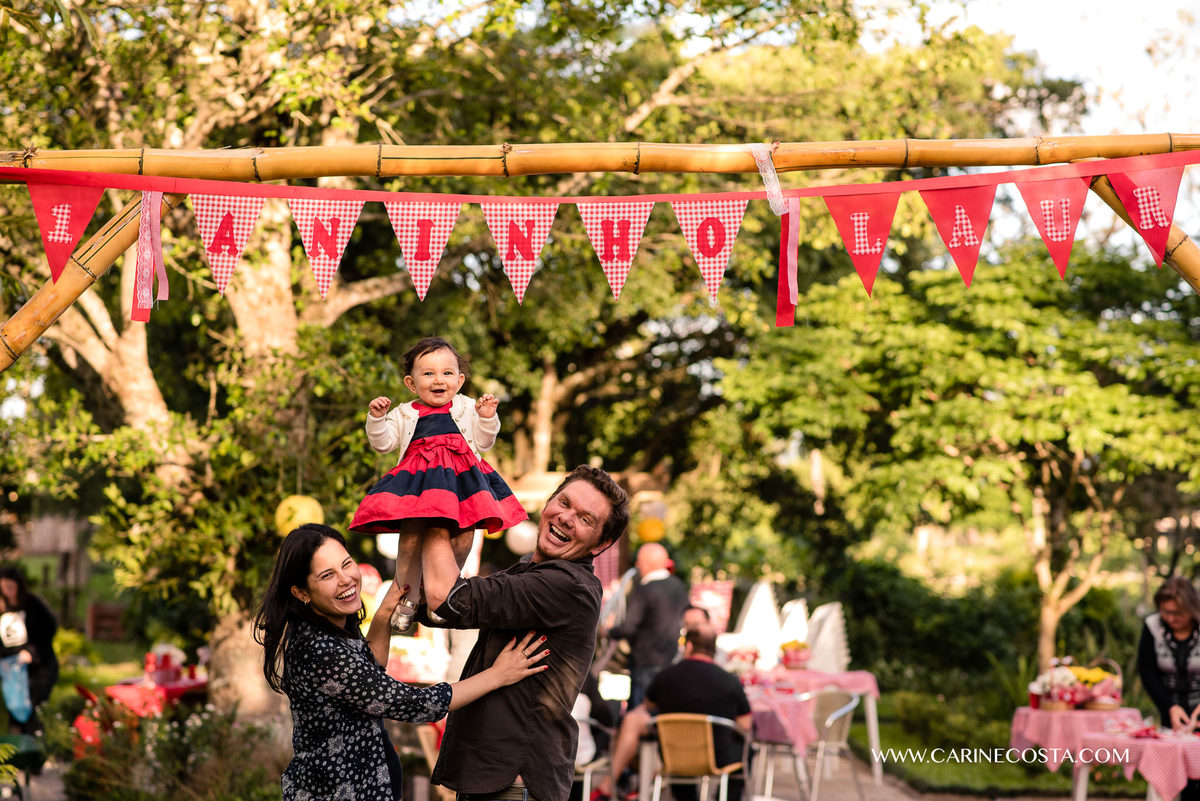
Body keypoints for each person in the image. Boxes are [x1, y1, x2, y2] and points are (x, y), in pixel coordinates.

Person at [254, 523, 550, 801]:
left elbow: (369, 671)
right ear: (301, 592)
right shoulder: (319, 648)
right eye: (327, 575)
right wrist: (497, 675)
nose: (346, 579)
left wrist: (385, 611)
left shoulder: (330, 625)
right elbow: (411, 704)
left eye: (346, 564)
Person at [420, 465, 631, 801]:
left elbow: (446, 599)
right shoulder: (532, 571)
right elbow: (441, 609)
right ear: (548, 503)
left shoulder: (565, 585)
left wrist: (433, 505)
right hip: (494, 776)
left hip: (513, 782)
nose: (566, 518)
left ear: (601, 543)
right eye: (564, 503)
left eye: (586, 519)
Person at [350, 336, 527, 633]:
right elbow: (384, 444)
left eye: (447, 373)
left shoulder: (468, 407)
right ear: (411, 383)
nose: (438, 380)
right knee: (410, 540)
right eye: (428, 373)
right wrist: (377, 420)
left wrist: (486, 418)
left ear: (459, 380)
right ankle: (407, 596)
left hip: (461, 482)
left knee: (462, 537)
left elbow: (484, 442)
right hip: (419, 486)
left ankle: (444, 591)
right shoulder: (405, 413)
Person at [591, 625, 749, 801]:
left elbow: (646, 707)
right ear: (713, 649)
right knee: (746, 747)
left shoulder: (666, 676)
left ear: (688, 647)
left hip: (673, 754)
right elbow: (745, 725)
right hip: (718, 758)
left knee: (666, 740)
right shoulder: (730, 681)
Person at [606, 543, 690, 707]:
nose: (637, 566)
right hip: (670, 658)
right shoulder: (678, 586)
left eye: (639, 562)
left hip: (644, 661)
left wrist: (608, 631)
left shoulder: (645, 589)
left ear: (646, 563)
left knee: (640, 710)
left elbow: (629, 627)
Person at [0, 565, 58, 735]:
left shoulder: (33, 605)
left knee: (34, 710)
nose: (7, 592)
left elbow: (49, 629)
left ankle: (35, 750)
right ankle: (17, 753)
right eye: (3, 588)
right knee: (14, 712)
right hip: (12, 670)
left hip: (39, 669)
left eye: (10, 588)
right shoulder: (3, 607)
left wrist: (31, 652)